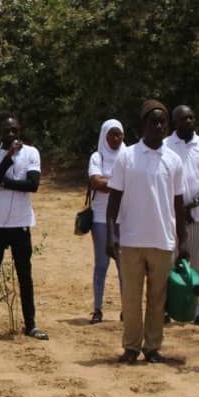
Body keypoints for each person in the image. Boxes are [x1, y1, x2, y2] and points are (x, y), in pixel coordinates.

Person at [106, 100, 189, 364]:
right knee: (131, 299)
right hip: (131, 240)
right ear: (143, 125)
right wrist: (111, 235)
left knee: (157, 299)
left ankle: (152, 348)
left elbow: (178, 204)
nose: (159, 126)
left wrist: (183, 241)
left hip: (163, 240)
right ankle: (131, 347)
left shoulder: (174, 160)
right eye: (153, 121)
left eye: (163, 121)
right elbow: (113, 201)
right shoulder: (126, 157)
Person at [0, 112, 48, 341]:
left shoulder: (32, 152)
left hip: (20, 222)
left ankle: (31, 324)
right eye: (6, 130)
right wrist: (8, 157)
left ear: (20, 130)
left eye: (14, 130)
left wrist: (6, 183)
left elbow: (33, 185)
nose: (10, 134)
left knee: (25, 274)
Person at [166, 105, 199, 326]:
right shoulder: (166, 145)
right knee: (168, 265)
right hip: (170, 215)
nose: (189, 121)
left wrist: (194, 202)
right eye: (183, 119)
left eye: (191, 117)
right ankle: (166, 310)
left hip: (198, 216)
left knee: (198, 264)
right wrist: (179, 208)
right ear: (174, 123)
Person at [87, 119, 125, 324]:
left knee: (124, 266)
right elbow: (95, 182)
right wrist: (119, 184)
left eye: (118, 134)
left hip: (125, 217)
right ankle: (98, 309)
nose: (115, 138)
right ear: (104, 135)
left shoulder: (128, 155)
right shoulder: (97, 156)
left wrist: (108, 182)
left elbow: (104, 183)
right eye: (111, 134)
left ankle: (126, 309)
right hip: (101, 217)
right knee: (101, 264)